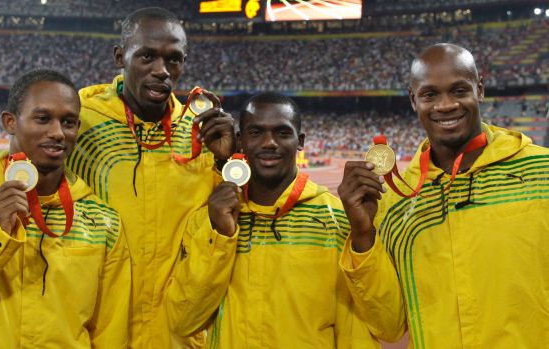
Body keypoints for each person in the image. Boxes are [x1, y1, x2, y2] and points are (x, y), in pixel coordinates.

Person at [339, 43, 549, 348]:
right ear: (413, 100)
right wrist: (362, 236)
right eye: (430, 95)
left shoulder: (540, 172)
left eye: (459, 90)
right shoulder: (397, 202)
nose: (445, 105)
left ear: (480, 90)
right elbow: (389, 324)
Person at [165, 92, 406, 348]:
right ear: (241, 141)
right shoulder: (209, 221)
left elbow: (390, 326)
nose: (269, 142)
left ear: (300, 141)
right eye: (256, 132)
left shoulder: (339, 220)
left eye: (282, 132)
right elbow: (182, 321)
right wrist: (220, 236)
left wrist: (363, 236)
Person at [65, 7, 235, 348]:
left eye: (173, 60)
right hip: (98, 331)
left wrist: (225, 162)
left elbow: (218, 225)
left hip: (174, 333)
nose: (161, 71)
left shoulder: (201, 134)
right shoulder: (79, 123)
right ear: (119, 57)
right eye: (146, 56)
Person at [0, 69, 131, 348]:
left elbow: (111, 333)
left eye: (69, 122)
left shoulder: (103, 220)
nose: (58, 132)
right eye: (43, 118)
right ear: (10, 122)